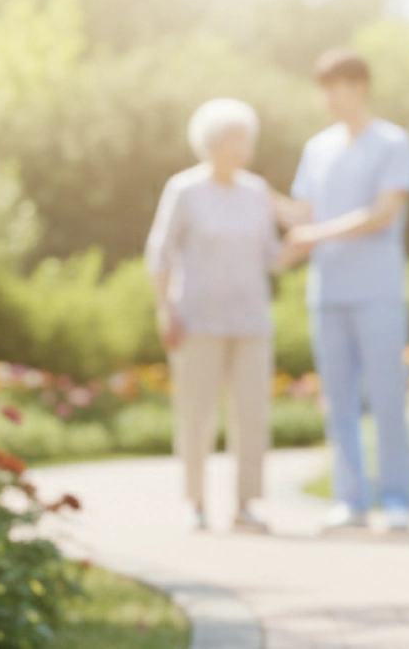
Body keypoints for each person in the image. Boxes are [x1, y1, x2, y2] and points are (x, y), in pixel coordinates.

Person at [145, 98, 305, 533]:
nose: (241, 148)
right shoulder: (185, 189)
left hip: (252, 321)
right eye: (233, 139)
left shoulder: (256, 192)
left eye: (245, 139)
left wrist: (302, 245)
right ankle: (195, 503)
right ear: (212, 143)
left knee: (252, 414)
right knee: (197, 415)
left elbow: (271, 256)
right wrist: (165, 309)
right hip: (197, 320)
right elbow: (160, 252)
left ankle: (246, 504)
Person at [283, 49, 409, 533]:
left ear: (358, 85)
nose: (325, 97)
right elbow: (302, 215)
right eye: (321, 87)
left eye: (333, 86)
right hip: (327, 293)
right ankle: (351, 501)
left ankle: (398, 500)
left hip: (378, 291)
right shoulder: (317, 147)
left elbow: (382, 213)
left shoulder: (392, 142)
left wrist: (312, 236)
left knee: (386, 399)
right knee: (337, 401)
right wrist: (247, 191)